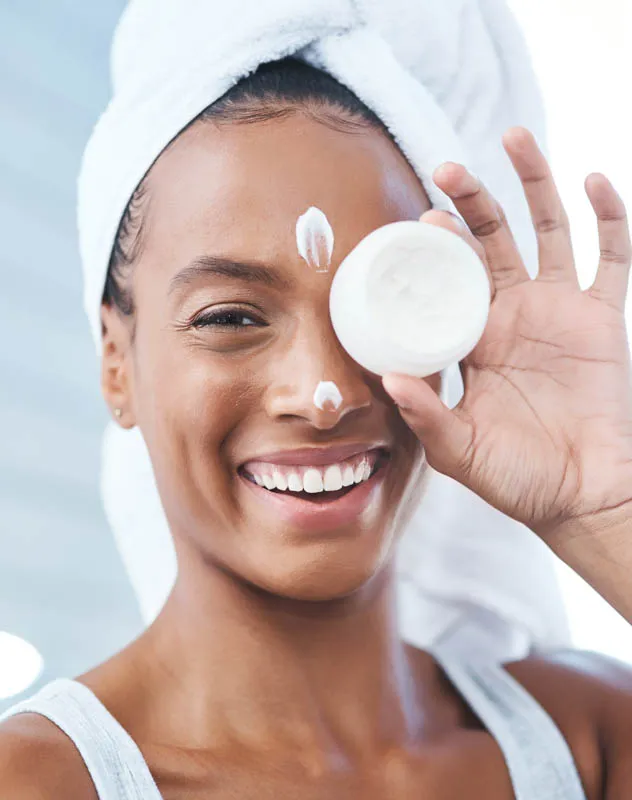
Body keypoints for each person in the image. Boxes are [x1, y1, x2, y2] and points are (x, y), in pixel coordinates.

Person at [1, 55, 631, 799]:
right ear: (116, 362)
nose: (323, 393)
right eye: (230, 317)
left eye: (378, 308)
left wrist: (607, 512)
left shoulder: (590, 737)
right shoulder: (36, 781)